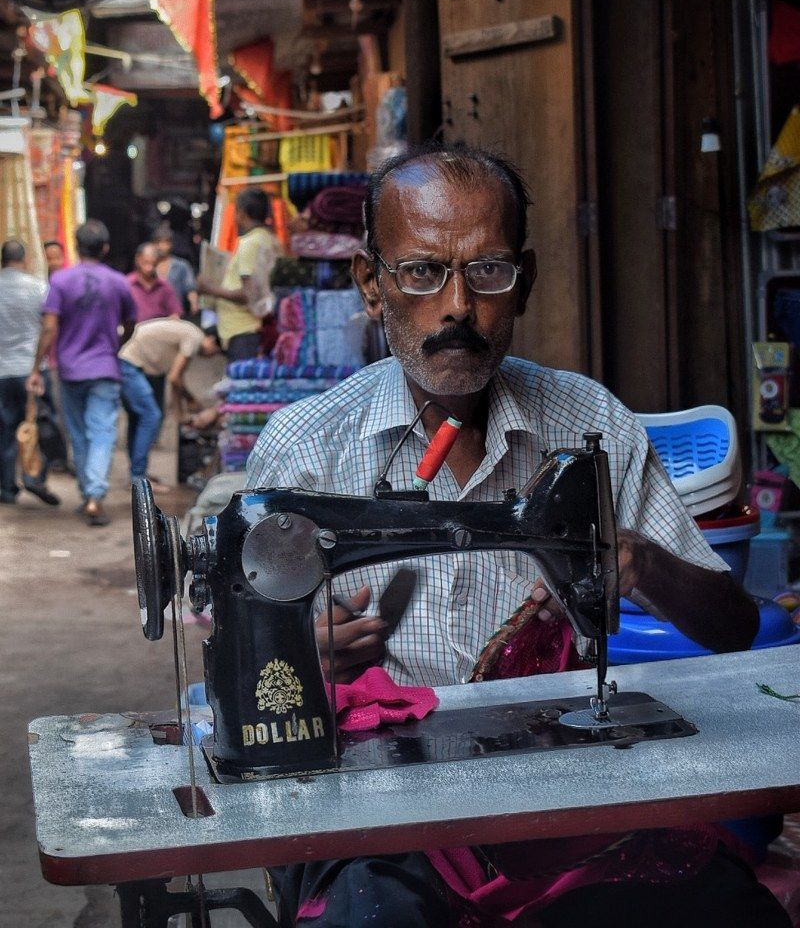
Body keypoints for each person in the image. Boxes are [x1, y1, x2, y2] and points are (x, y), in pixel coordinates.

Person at [245, 145, 787, 928]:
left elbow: (733, 628)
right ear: (372, 285)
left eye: (488, 271)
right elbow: (252, 684)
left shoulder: (591, 425)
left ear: (524, 279)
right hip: (375, 800)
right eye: (421, 272)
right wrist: (298, 655)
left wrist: (644, 564)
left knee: (733, 913)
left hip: (563, 785)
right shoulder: (304, 449)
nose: (457, 305)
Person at [27, 219, 136, 527]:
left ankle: (89, 492)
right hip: (104, 367)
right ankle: (94, 496)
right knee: (102, 432)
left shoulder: (61, 281)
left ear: (75, 246)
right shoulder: (118, 282)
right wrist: (116, 344)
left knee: (79, 433)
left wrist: (36, 367)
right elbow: (131, 323)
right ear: (105, 248)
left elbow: (49, 327)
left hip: (70, 369)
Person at [118, 318, 220, 485]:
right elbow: (175, 379)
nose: (211, 356)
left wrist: (181, 415)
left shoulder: (190, 335)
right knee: (151, 416)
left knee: (139, 419)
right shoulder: (194, 338)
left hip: (132, 365)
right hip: (130, 364)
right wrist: (191, 399)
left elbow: (175, 380)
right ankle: (137, 477)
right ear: (210, 340)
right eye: (216, 350)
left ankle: (138, 475)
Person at [0, 240, 59, 506]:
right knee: (40, 424)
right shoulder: (39, 287)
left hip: (2, 371)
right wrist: (38, 365)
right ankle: (35, 477)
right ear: (24, 259)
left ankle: (7, 488)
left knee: (5, 428)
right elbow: (48, 328)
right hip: (31, 370)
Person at [196, 188, 280, 361]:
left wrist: (210, 289)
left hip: (244, 330)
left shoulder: (249, 243)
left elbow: (248, 294)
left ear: (241, 213)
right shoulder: (271, 240)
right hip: (255, 329)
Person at [127, 242, 182, 324]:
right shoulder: (127, 284)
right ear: (138, 260)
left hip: (159, 332)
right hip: (133, 332)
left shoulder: (164, 286)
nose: (149, 268)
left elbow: (175, 314)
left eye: (153, 263)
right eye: (146, 263)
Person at [154, 229, 199, 317]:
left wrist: (194, 304)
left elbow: (190, 288)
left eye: (165, 243)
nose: (162, 246)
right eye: (159, 242)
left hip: (175, 314)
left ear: (170, 244)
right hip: (154, 314)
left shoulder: (181, 265)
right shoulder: (150, 266)